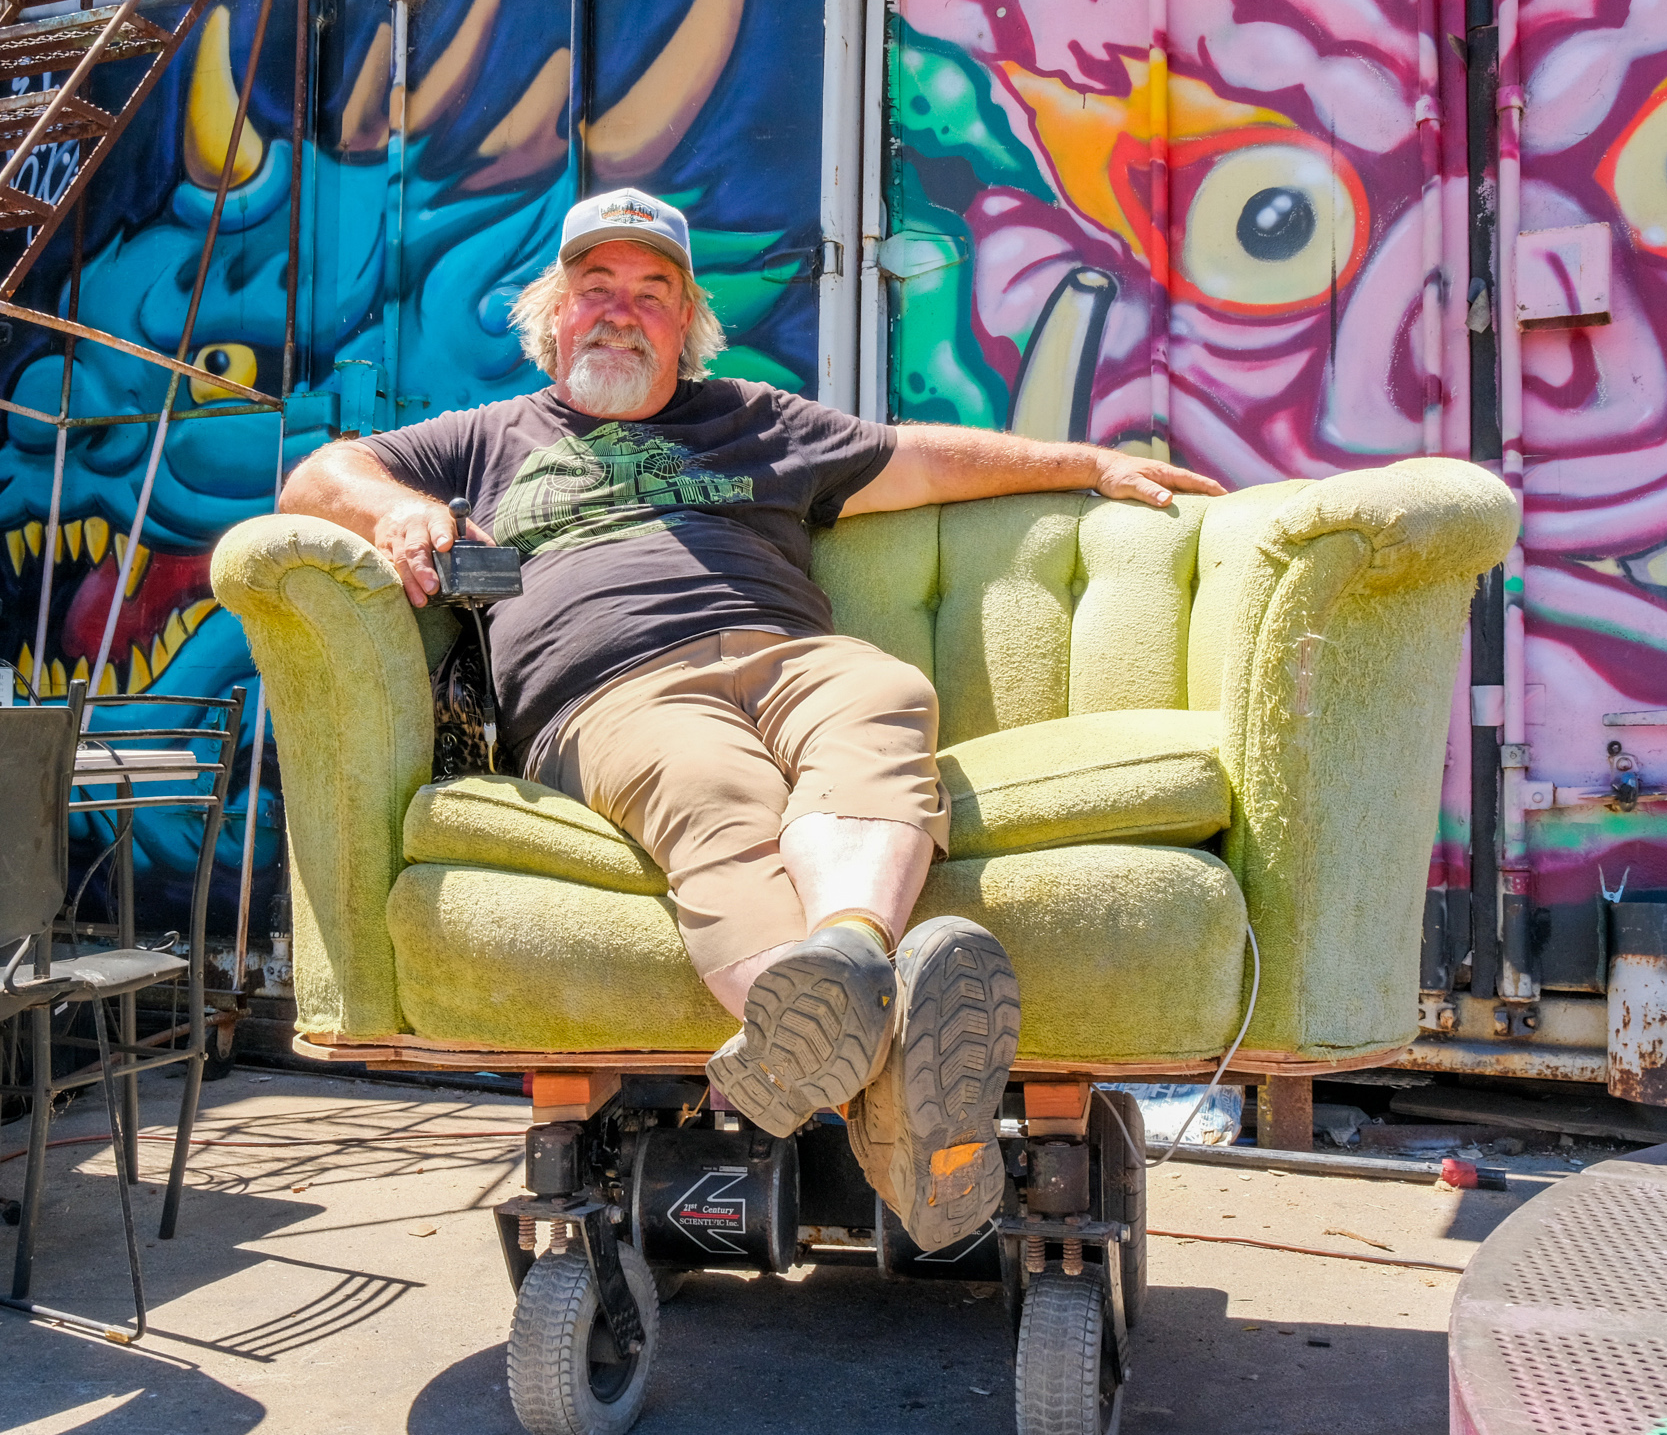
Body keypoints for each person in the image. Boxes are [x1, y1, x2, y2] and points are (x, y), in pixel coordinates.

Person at [279, 187, 1223, 1248]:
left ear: (688, 324)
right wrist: (394, 507)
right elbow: (317, 475)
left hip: (791, 655)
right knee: (709, 785)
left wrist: (1091, 464)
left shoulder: (758, 417)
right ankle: (895, 1104)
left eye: (652, 292)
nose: (620, 311)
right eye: (597, 288)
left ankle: (847, 961)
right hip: (612, 693)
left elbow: (920, 457)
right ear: (554, 313)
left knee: (880, 696)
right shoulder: (487, 439)